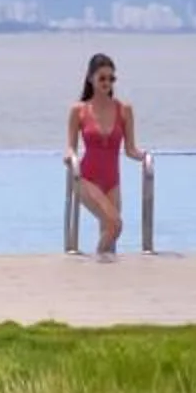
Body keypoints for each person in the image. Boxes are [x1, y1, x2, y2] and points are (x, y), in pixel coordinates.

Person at [64, 53, 146, 259]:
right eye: (102, 78)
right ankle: (97, 260)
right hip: (86, 178)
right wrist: (69, 156)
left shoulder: (124, 110)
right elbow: (70, 147)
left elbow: (130, 149)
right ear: (91, 78)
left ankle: (105, 275)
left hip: (112, 181)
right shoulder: (79, 110)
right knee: (114, 223)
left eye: (111, 78)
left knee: (110, 234)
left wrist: (145, 157)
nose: (107, 83)